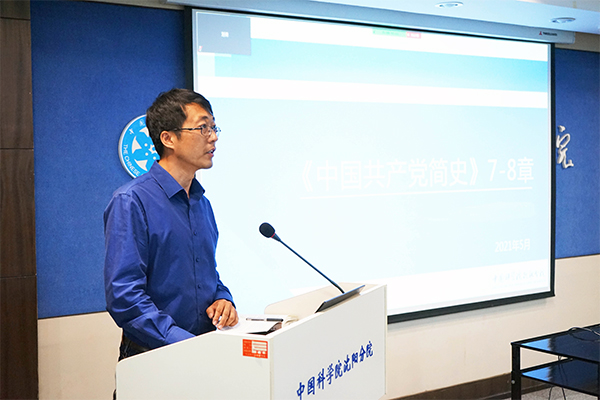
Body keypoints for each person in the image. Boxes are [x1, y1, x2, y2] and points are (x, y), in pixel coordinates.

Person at [104, 88, 238, 363]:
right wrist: (181, 342)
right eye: (202, 128)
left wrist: (223, 298)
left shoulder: (202, 203)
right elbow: (124, 296)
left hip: (202, 350)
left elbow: (205, 273)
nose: (213, 137)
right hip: (152, 357)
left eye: (214, 127)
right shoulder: (131, 201)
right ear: (168, 138)